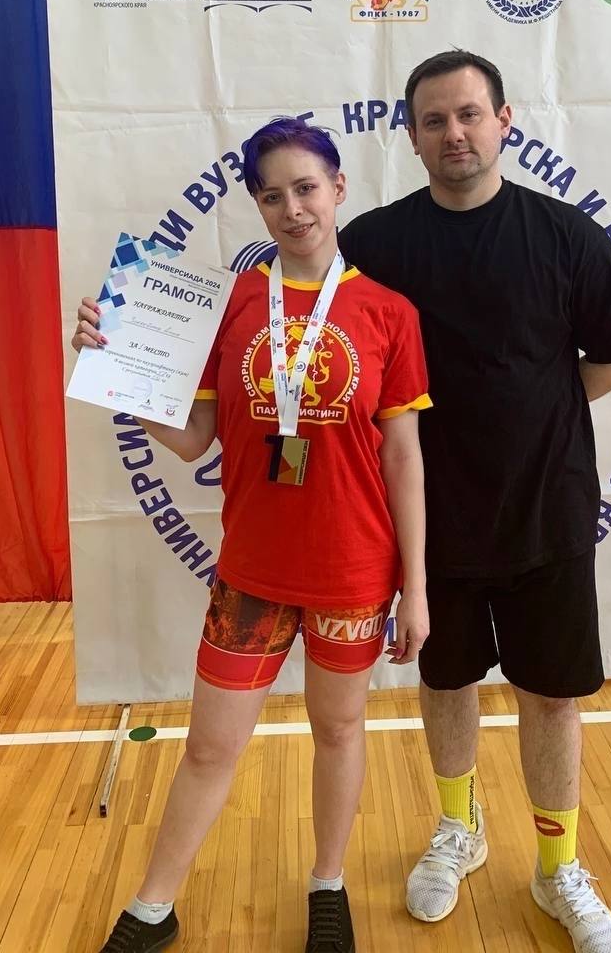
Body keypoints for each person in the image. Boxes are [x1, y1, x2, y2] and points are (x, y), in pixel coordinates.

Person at [73, 117, 431, 953]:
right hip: (252, 573)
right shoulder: (227, 305)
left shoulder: (389, 313)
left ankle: (328, 886)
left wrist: (415, 587)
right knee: (209, 748)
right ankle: (153, 907)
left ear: (338, 188)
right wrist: (118, 371)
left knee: (338, 731)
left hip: (353, 571)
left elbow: (404, 456)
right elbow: (193, 439)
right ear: (259, 208)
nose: (292, 209)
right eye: (273, 196)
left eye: (306, 188)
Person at [337, 50, 611, 953]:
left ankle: (559, 868)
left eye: (470, 114)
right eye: (434, 120)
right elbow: (318, 349)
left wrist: (534, 409)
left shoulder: (566, 235)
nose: (455, 134)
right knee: (446, 681)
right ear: (411, 137)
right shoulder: (373, 245)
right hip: (428, 522)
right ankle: (458, 828)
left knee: (551, 695)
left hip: (546, 511)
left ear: (505, 120)